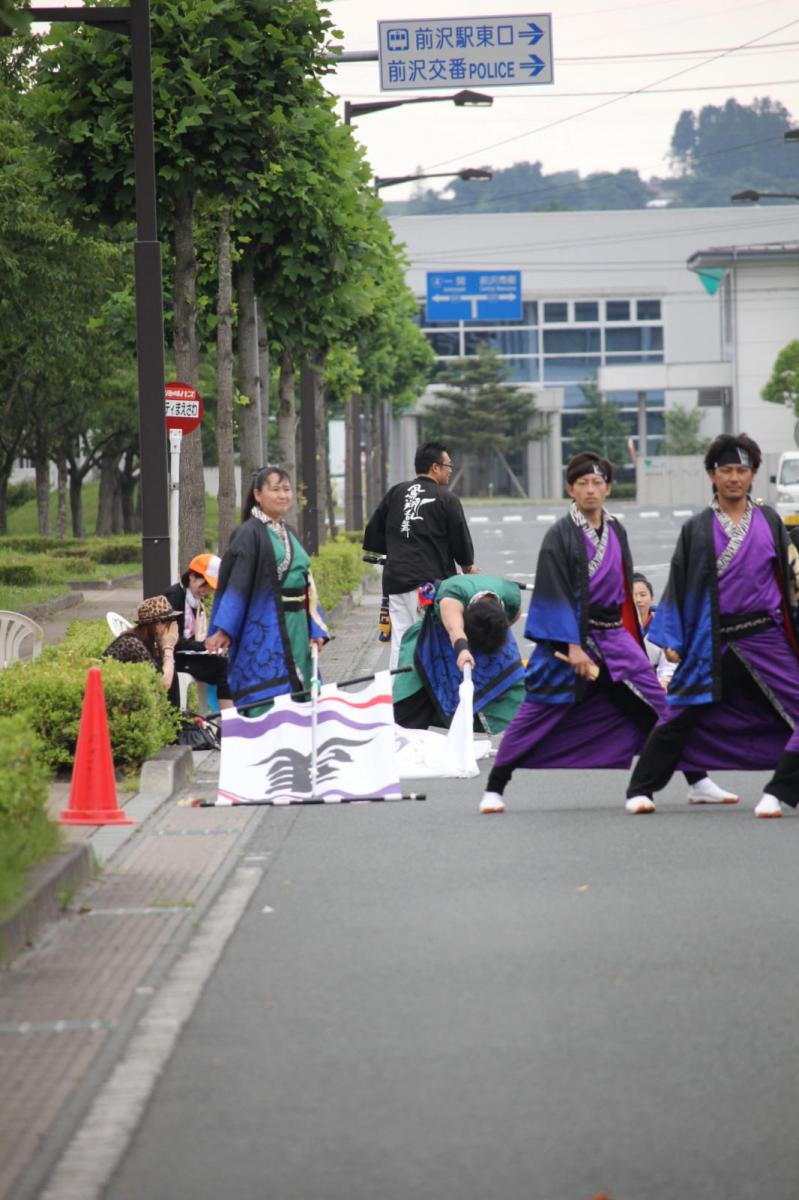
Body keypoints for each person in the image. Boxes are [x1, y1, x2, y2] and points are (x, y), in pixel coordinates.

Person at [478, 451, 733, 815]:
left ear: (608, 488)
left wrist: (635, 640)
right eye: (583, 483)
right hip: (569, 643)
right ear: (571, 488)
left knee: (661, 707)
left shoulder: (616, 529)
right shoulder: (559, 535)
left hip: (614, 638)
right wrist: (572, 645)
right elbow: (555, 592)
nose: (591, 490)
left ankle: (698, 781)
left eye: (598, 482)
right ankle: (495, 788)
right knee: (536, 712)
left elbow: (625, 591)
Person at [625, 432, 799, 818]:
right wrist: (673, 637)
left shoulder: (770, 519)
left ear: (753, 474)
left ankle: (778, 792)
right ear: (712, 475)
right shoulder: (698, 529)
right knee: (678, 713)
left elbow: (787, 581)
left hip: (765, 636)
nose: (734, 478)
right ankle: (640, 788)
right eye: (726, 470)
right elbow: (680, 582)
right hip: (711, 639)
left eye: (741, 470)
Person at [205, 466, 328, 711]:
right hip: (266, 624)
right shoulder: (248, 534)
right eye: (275, 489)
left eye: (287, 489)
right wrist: (225, 629)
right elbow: (237, 585)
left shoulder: (288, 531)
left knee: (301, 693)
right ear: (258, 495)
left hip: (298, 628)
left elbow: (307, 583)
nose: (283, 495)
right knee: (267, 694)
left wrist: (316, 626)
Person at [363, 440, 479, 671]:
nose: (450, 470)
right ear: (435, 467)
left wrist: (396, 551)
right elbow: (461, 543)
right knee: (430, 640)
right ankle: (427, 696)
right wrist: (467, 567)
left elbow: (373, 536)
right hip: (429, 585)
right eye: (448, 466)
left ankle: (399, 695)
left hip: (396, 581)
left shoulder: (396, 493)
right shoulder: (447, 499)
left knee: (401, 640)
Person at [393, 574, 526, 733]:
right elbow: (455, 629)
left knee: (509, 671)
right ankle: (406, 735)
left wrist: (494, 636)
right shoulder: (452, 598)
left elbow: (513, 617)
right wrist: (463, 651)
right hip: (437, 634)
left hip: (491, 632)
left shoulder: (510, 596)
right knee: (418, 681)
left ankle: (521, 728)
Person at [164, 553, 233, 710]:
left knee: (228, 665)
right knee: (224, 669)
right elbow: (172, 640)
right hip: (174, 658)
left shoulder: (194, 599)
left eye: (211, 587)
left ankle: (224, 717)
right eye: (205, 585)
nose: (207, 591)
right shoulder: (174, 597)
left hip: (187, 656)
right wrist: (203, 646)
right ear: (192, 577)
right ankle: (228, 719)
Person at [103, 594, 181, 695]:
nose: (171, 629)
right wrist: (168, 647)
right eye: (169, 622)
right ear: (158, 624)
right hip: (109, 702)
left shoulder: (147, 643)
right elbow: (163, 684)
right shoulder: (132, 644)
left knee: (169, 667)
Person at [632, 572, 676, 688]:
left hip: (658, 681)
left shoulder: (663, 624)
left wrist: (664, 681)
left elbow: (668, 663)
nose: (638, 600)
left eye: (643, 595)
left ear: (652, 598)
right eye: (633, 595)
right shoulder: (619, 626)